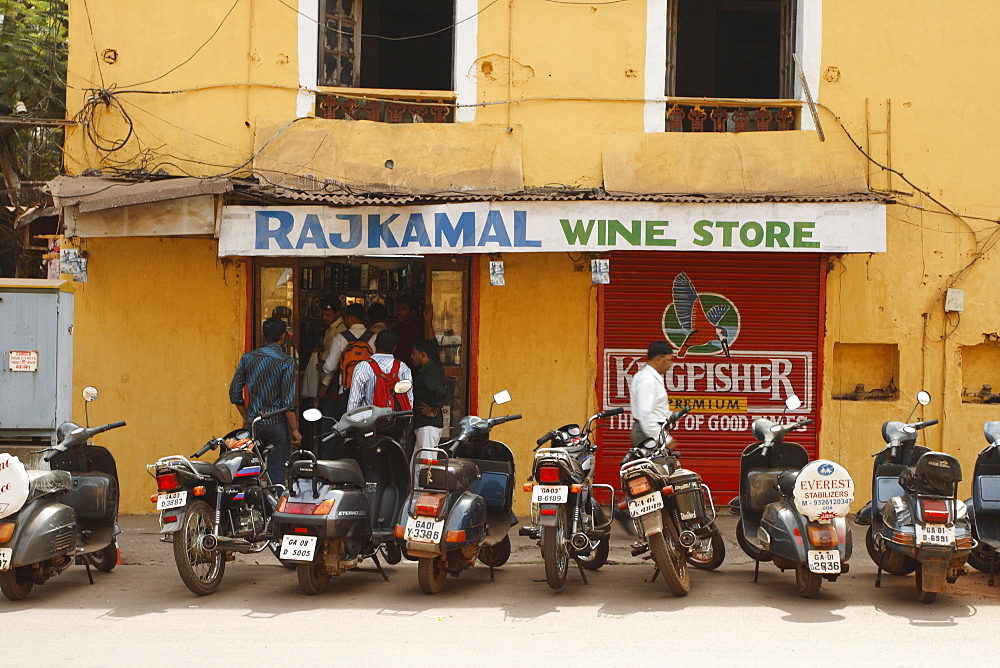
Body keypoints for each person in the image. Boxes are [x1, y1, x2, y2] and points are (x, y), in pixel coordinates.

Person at [229, 318, 301, 485]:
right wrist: (295, 430)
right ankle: (274, 508)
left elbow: (234, 392)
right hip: (277, 425)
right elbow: (288, 402)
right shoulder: (286, 361)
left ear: (264, 335)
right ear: (283, 336)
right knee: (277, 476)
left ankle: (252, 507)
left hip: (254, 426)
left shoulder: (248, 358)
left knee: (249, 473)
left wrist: (247, 416)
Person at [320, 303, 375, 419]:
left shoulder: (341, 338)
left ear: (350, 318)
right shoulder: (374, 338)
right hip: (369, 391)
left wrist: (323, 367)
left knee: (345, 425)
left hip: (346, 390)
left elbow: (330, 367)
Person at [347, 329, 414, 412]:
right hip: (398, 420)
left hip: (371, 421)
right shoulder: (403, 368)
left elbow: (354, 402)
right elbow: (409, 400)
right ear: (395, 347)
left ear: (375, 343)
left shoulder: (363, 367)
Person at [629, 340, 675, 448]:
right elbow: (645, 414)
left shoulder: (649, 377)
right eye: (668, 361)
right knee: (656, 465)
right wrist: (664, 439)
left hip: (651, 433)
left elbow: (653, 410)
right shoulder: (647, 380)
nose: (670, 365)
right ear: (658, 360)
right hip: (647, 435)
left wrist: (669, 416)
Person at [411, 338, 447, 451]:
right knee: (418, 463)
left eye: (414, 353)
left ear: (423, 354)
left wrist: (433, 410)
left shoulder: (429, 372)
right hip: (424, 424)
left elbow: (440, 391)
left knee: (427, 464)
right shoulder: (429, 369)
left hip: (428, 425)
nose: (411, 356)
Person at [316, 295, 345, 415]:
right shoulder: (331, 328)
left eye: (328, 315)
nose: (324, 318)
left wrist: (325, 383)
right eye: (323, 314)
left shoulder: (340, 329)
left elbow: (335, 359)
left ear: (338, 313)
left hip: (333, 378)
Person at [392, 296, 425, 368]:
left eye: (403, 309)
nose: (399, 312)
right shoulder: (396, 327)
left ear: (413, 312)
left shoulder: (417, 328)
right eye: (398, 309)